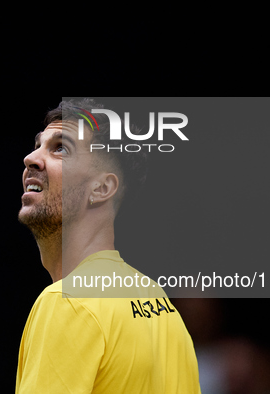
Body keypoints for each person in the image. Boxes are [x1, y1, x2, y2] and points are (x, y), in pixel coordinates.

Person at [16, 98, 201, 393]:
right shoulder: (163, 309)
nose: (31, 158)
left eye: (60, 148)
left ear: (102, 188)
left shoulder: (67, 302)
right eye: (38, 145)